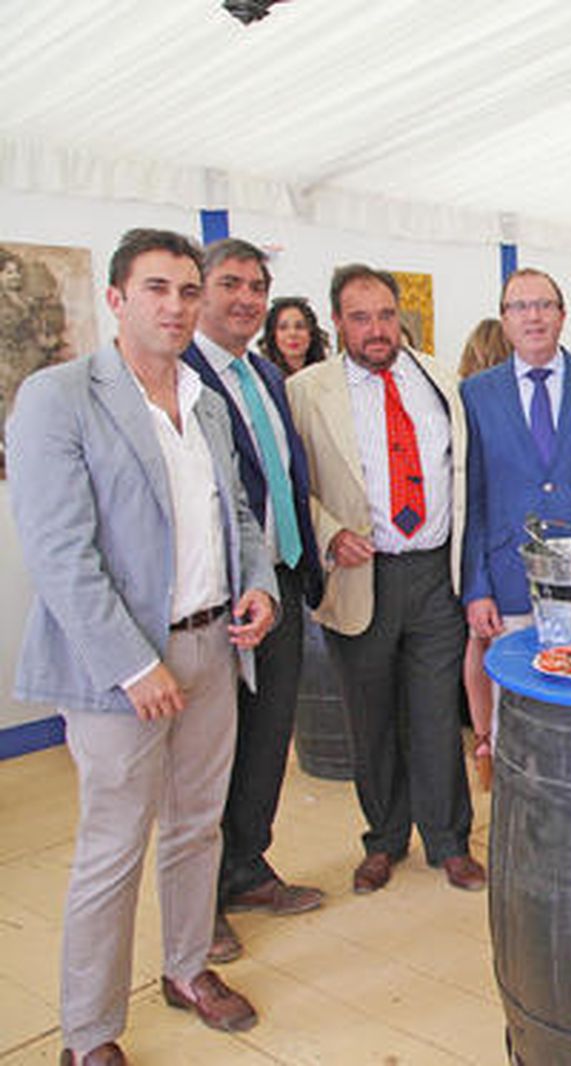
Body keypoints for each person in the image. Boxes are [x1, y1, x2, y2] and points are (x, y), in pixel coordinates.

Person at [8, 227, 278, 1065]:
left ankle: (188, 968)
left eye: (187, 291)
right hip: (120, 667)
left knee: (198, 825)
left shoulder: (202, 403)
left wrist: (260, 583)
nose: (177, 306)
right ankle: (89, 1034)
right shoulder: (61, 397)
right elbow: (59, 553)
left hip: (211, 645)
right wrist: (132, 663)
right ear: (118, 300)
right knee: (113, 845)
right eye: (157, 289)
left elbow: (235, 515)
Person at [286, 264, 484, 895]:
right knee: (370, 720)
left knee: (434, 716)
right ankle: (384, 840)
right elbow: (292, 487)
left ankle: (449, 842)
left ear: (401, 316)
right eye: (360, 317)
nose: (376, 329)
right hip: (359, 574)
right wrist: (326, 534)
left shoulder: (439, 381)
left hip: (433, 574)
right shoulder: (308, 391)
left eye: (385, 315)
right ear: (338, 323)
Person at [180, 238, 327, 967]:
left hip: (284, 580)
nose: (246, 298)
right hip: (223, 594)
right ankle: (198, 906)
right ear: (198, 291)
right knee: (212, 754)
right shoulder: (181, 376)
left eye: (257, 285)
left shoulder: (264, 373)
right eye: (230, 284)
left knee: (268, 742)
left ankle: (246, 868)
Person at [461, 267, 571, 763]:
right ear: (503, 319)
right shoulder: (475, 394)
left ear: (562, 315)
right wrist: (476, 588)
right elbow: (469, 498)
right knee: (517, 717)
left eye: (544, 305)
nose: (533, 316)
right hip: (510, 581)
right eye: (520, 306)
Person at [455, 314, 515, 784]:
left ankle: (483, 740)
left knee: (480, 648)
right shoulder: (474, 401)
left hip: (492, 556)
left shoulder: (464, 393)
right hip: (498, 556)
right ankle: (488, 742)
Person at [260, 296, 328, 377]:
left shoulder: (326, 374)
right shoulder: (262, 378)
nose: (292, 333)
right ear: (273, 335)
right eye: (283, 327)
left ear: (311, 333)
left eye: (300, 326)